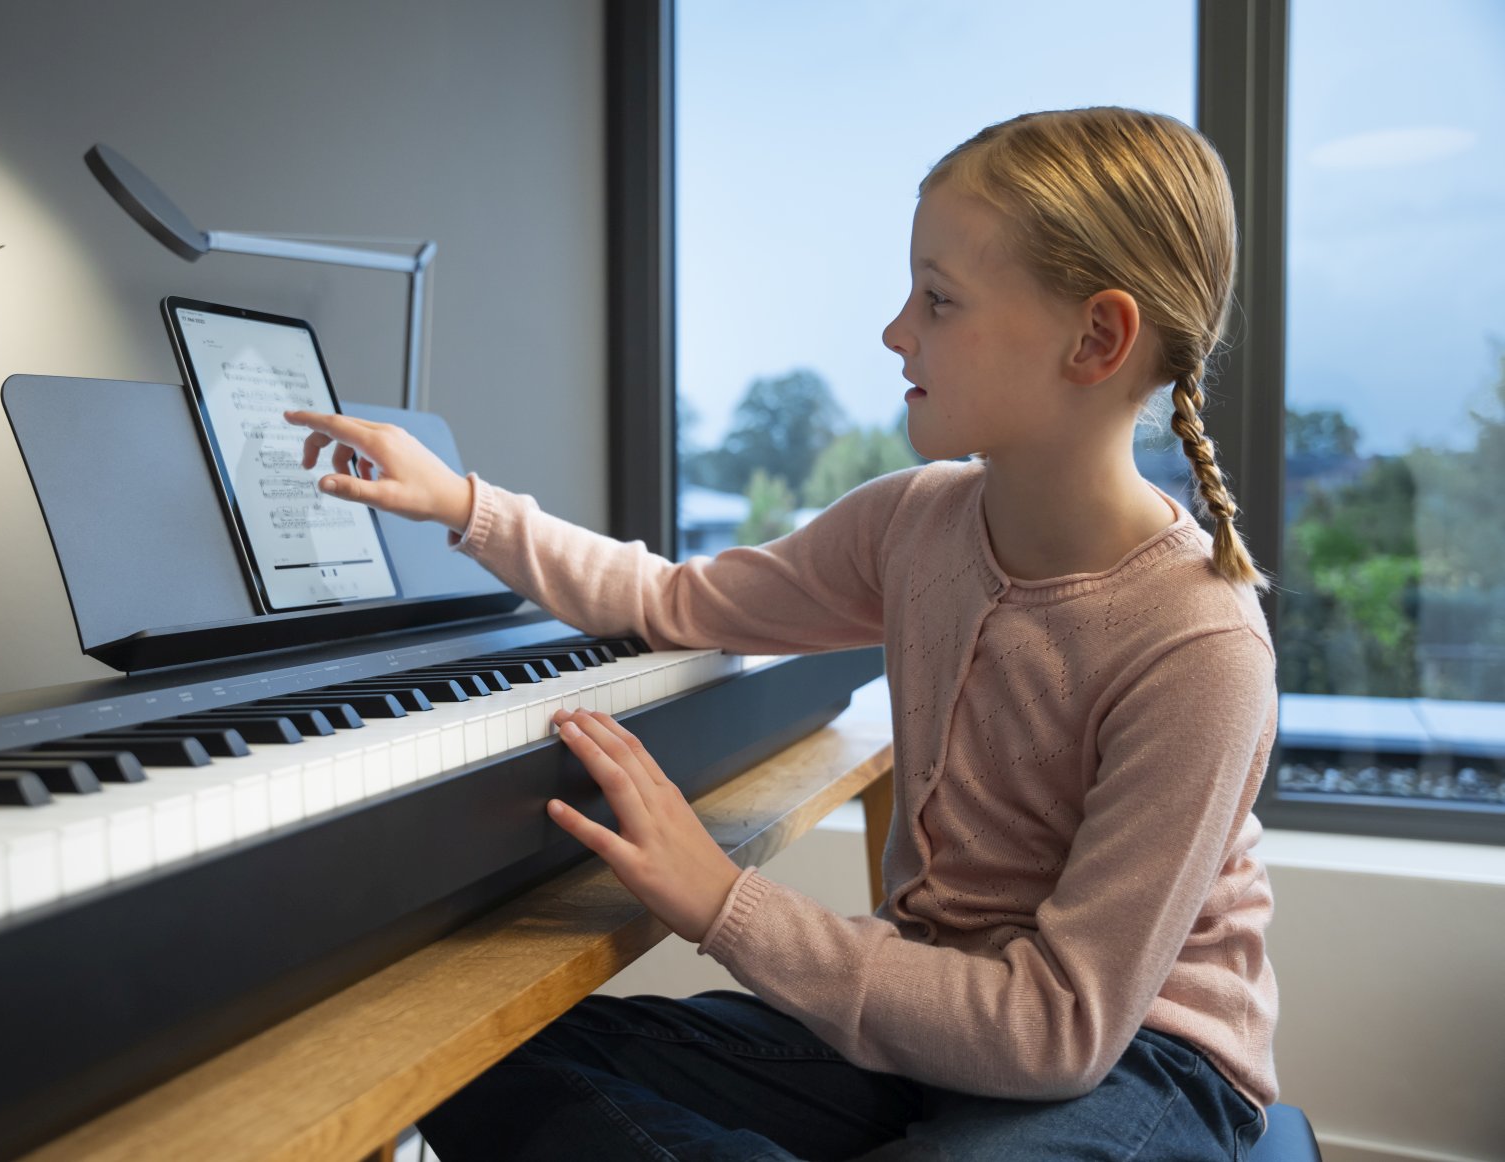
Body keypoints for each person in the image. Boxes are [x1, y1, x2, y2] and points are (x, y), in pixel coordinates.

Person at [284, 106, 1277, 1161]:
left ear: (1097, 338)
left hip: (1136, 1059)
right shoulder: (913, 523)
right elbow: (675, 601)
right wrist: (466, 507)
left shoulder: (1200, 645)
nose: (897, 331)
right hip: (923, 1032)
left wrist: (725, 902)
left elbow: (1056, 1032)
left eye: (937, 299)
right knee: (475, 1064)